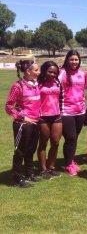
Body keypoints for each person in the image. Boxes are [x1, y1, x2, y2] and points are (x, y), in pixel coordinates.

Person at [6, 60, 41, 188]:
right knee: (20, 151)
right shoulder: (18, 86)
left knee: (31, 149)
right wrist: (22, 117)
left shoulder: (36, 84)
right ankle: (17, 178)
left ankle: (29, 173)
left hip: (35, 122)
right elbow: (9, 106)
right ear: (28, 71)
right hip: (23, 124)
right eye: (36, 70)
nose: (39, 72)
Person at [59, 50, 87, 176]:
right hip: (66, 111)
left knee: (74, 138)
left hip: (80, 111)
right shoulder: (61, 73)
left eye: (76, 59)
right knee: (70, 138)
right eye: (71, 59)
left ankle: (71, 159)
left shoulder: (82, 74)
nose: (74, 62)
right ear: (67, 60)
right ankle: (68, 164)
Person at [37, 61, 62, 179]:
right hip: (43, 116)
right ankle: (43, 169)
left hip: (56, 115)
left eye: (54, 73)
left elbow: (61, 97)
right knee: (43, 143)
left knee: (56, 143)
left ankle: (51, 167)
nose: (52, 74)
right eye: (50, 72)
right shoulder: (38, 83)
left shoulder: (57, 82)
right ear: (44, 71)